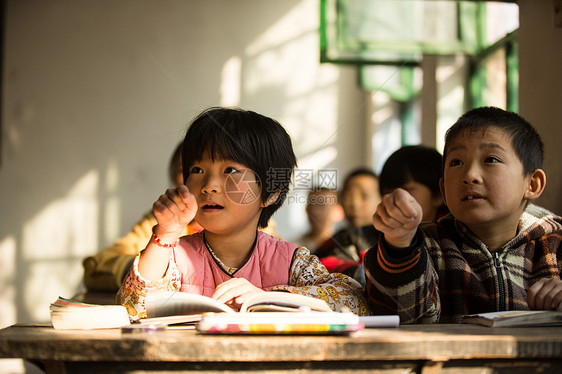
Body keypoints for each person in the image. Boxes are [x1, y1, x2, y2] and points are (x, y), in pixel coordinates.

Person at [116, 107, 369, 320]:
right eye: (197, 169)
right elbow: (132, 307)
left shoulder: (291, 262)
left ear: (270, 194)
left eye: (230, 171)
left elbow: (355, 301)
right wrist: (165, 233)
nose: (209, 186)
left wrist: (268, 297)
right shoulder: (173, 257)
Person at [365, 106, 562, 324]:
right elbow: (405, 317)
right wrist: (400, 244)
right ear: (443, 189)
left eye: (491, 159)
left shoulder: (555, 243)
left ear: (532, 184)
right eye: (457, 162)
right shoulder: (428, 247)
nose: (470, 175)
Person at [82, 142, 202, 293]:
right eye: (194, 170)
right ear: (173, 179)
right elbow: (97, 266)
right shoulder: (161, 222)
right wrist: (151, 270)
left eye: (227, 170)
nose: (207, 183)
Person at [314, 168, 381, 284]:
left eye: (364, 196)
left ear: (381, 199)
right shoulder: (336, 240)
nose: (354, 204)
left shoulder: (390, 241)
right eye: (348, 195)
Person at [378, 145, 448, 222]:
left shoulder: (453, 232)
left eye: (405, 190)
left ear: (438, 196)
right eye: (387, 193)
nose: (394, 200)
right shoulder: (376, 231)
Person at [292, 187, 344, 252]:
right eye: (310, 204)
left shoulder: (343, 248)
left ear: (338, 211)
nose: (314, 211)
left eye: (321, 205)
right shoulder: (293, 248)